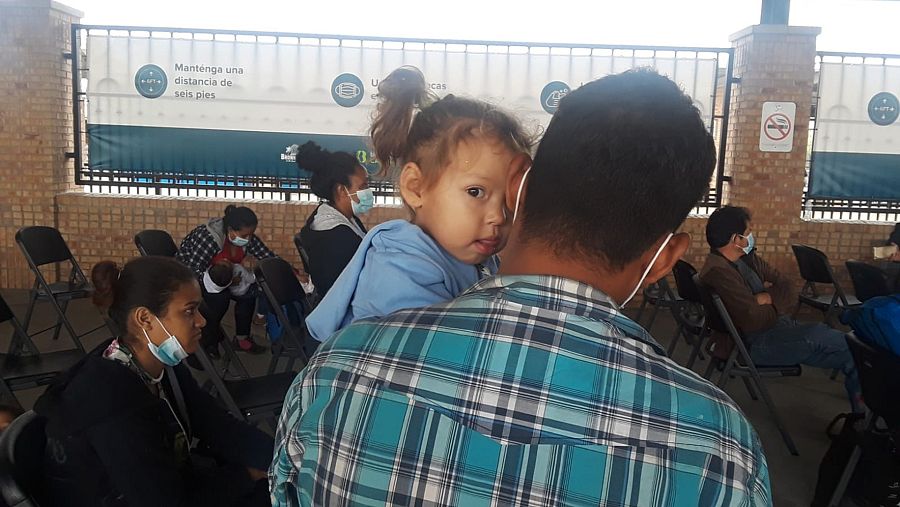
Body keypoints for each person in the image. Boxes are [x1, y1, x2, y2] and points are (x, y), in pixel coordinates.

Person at [271, 69, 771, 505]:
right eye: (474, 192)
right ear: (665, 259)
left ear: (518, 186)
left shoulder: (332, 376)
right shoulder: (722, 455)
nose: (491, 217)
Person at [305, 66, 533, 341]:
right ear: (415, 187)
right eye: (475, 192)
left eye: (509, 200)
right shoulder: (402, 267)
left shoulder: (478, 259)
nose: (499, 216)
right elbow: (437, 354)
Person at [35, 257, 273, 507]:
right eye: (189, 311)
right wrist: (247, 475)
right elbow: (165, 501)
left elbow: (215, 423)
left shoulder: (159, 365)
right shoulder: (110, 401)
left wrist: (280, 458)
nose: (201, 320)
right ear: (145, 319)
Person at [699, 205, 863, 413]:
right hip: (753, 344)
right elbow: (752, 319)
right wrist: (775, 303)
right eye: (748, 233)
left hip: (774, 329)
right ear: (736, 239)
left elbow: (787, 285)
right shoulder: (719, 272)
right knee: (824, 337)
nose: (751, 237)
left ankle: (861, 414)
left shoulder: (745, 260)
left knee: (852, 353)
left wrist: (767, 299)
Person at [176, 205, 275, 354]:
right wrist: (225, 283)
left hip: (225, 278)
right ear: (230, 230)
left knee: (250, 293)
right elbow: (193, 271)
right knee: (220, 299)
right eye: (245, 235)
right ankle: (208, 342)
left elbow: (267, 256)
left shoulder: (245, 237)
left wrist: (293, 272)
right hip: (193, 280)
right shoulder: (208, 238)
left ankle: (242, 339)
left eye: (251, 235)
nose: (248, 239)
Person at [296, 141, 371, 297]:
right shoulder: (336, 236)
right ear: (341, 190)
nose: (368, 191)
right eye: (363, 186)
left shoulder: (343, 219)